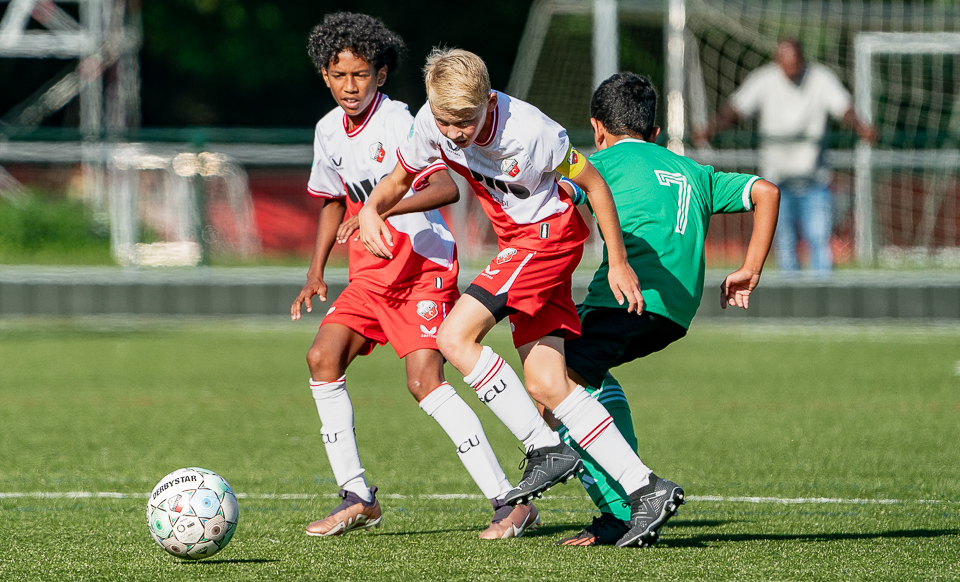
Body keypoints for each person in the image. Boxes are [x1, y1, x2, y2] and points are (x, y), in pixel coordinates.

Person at [358, 48, 676, 548]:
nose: (455, 133)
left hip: (547, 237)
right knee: (547, 384)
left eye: (465, 120)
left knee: (453, 337)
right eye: (446, 121)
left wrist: (617, 260)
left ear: (488, 99)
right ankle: (646, 487)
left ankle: (542, 445)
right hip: (520, 243)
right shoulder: (430, 123)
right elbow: (398, 180)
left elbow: (593, 183)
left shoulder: (531, 130)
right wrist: (373, 209)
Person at [291, 14, 539, 541]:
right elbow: (336, 200)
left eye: (361, 75)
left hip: (422, 268)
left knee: (424, 382)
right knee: (321, 357)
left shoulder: (401, 120)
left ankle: (510, 502)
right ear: (324, 76)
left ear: (381, 75)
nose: (350, 86)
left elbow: (447, 188)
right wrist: (315, 272)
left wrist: (378, 211)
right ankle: (357, 496)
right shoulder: (327, 131)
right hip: (368, 272)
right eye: (339, 76)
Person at [551, 72, 780, 546]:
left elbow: (558, 207)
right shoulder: (693, 171)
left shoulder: (604, 162)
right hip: (676, 311)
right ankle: (624, 497)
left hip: (624, 297)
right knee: (582, 378)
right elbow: (767, 191)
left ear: (597, 128)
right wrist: (749, 268)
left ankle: (626, 506)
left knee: (550, 386)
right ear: (654, 133)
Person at [695, 38, 874, 274]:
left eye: (795, 64)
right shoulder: (764, 79)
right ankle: (793, 298)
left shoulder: (821, 78)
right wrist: (711, 129)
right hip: (777, 182)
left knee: (819, 240)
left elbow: (843, 106)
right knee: (785, 243)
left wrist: (862, 127)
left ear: (802, 60)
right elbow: (737, 108)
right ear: (777, 61)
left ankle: (824, 299)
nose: (791, 70)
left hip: (814, 180)